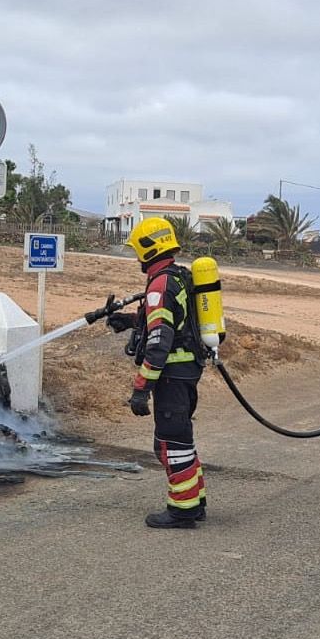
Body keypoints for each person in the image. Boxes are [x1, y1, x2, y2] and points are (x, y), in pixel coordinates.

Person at [106, 217, 208, 528]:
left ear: (150, 249)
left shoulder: (160, 284)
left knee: (170, 443)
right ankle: (195, 501)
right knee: (180, 438)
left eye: (138, 250)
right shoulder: (176, 278)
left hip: (172, 374)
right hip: (186, 371)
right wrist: (127, 321)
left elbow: (159, 342)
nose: (137, 257)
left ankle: (182, 511)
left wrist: (141, 389)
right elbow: (169, 323)